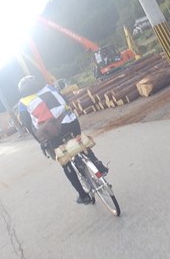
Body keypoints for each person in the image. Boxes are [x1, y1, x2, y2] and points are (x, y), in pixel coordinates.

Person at [17, 75, 108, 205]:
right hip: (72, 122)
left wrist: (42, 142)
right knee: (80, 141)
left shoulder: (23, 103)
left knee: (65, 162)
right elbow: (65, 101)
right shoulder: (49, 87)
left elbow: (29, 126)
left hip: (53, 131)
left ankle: (83, 196)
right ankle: (98, 165)